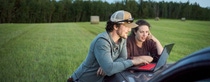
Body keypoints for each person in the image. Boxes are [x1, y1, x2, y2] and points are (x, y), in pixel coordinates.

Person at [67, 10, 149, 82]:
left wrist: (110, 66)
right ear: (116, 26)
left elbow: (123, 58)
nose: (130, 30)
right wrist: (132, 62)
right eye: (127, 26)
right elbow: (110, 70)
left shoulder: (123, 39)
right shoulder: (102, 41)